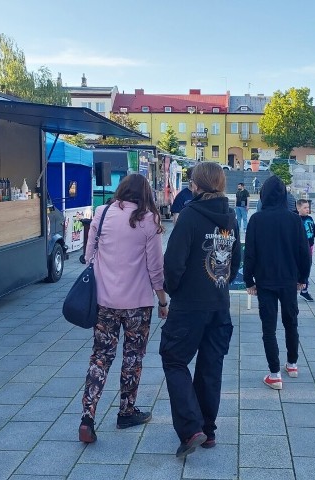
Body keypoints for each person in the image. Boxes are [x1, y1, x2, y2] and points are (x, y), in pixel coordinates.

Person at [79, 174, 167, 444]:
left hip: (104, 301)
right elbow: (155, 268)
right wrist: (162, 300)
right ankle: (126, 412)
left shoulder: (102, 213)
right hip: (137, 304)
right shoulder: (149, 220)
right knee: (132, 357)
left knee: (100, 357)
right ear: (145, 194)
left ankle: (87, 417)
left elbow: (87, 256)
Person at [161, 162, 240, 458]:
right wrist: (220, 284)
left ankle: (192, 427)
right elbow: (235, 261)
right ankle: (208, 430)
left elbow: (173, 263)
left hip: (190, 305)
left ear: (197, 185)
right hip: (219, 305)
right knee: (211, 366)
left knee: (173, 358)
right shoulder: (229, 217)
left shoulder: (191, 216)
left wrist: (174, 290)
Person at [244, 178, 311, 391]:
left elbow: (250, 254)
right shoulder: (294, 220)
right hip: (289, 280)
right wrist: (303, 278)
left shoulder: (257, 220)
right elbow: (304, 252)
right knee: (291, 322)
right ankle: (292, 364)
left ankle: (274, 374)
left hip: (265, 281)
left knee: (268, 327)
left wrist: (248, 280)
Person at [296, 199, 315, 302]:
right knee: (298, 268)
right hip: (299, 249)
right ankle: (297, 286)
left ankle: (304, 290)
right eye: (305, 208)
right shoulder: (296, 220)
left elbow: (313, 231)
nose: (307, 209)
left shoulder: (310, 219)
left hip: (309, 247)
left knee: (307, 267)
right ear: (298, 208)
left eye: (308, 207)